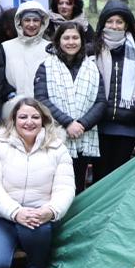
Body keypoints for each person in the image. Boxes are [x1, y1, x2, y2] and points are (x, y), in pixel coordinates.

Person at [0, 97, 75, 268]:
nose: (29, 122)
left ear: (44, 120)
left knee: (37, 226)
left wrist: (51, 210)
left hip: (38, 217)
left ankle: (36, 267)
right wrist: (15, 212)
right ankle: (8, 252)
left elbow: (66, 187)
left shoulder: (58, 148)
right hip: (1, 217)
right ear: (13, 120)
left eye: (35, 117)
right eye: (23, 117)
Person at [35, 22, 106, 191]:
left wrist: (81, 124)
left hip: (83, 136)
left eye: (75, 37)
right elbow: (41, 99)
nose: (71, 42)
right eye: (66, 38)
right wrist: (68, 123)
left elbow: (101, 102)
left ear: (82, 41)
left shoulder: (92, 68)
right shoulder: (46, 66)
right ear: (58, 40)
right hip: (55, 136)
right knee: (54, 185)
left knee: (78, 184)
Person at [93, 0, 135, 181]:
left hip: (127, 126)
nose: (114, 26)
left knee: (119, 178)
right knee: (99, 176)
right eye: (110, 21)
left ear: (127, 24)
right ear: (103, 23)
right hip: (99, 125)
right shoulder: (93, 49)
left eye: (119, 22)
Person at [1, 0, 50, 99]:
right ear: (20, 22)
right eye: (27, 20)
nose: (31, 25)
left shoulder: (50, 48)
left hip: (42, 106)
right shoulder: (6, 47)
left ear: (42, 23)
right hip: (13, 105)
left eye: (36, 20)